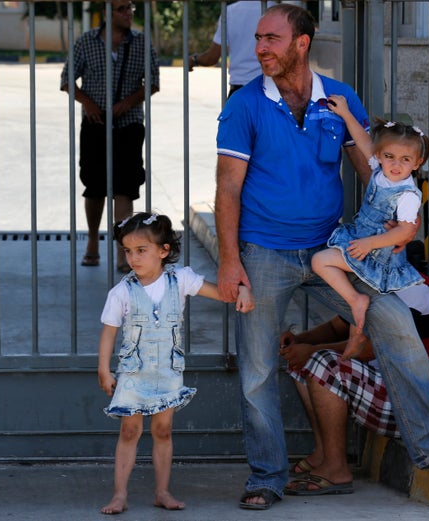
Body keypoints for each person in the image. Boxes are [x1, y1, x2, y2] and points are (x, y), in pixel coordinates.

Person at [214, 4, 429, 510]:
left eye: (271, 39)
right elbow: (228, 188)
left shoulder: (340, 99)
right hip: (264, 250)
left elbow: (373, 167)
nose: (260, 48)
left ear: (302, 42)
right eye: (257, 38)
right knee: (256, 370)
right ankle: (267, 477)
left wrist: (393, 219)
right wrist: (230, 260)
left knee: (397, 326)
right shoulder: (244, 105)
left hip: (338, 246)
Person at [97, 212, 253, 514]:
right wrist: (103, 369)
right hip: (133, 374)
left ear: (163, 250)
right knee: (129, 431)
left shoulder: (180, 279)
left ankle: (162, 491)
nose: (133, 258)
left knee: (164, 430)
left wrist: (242, 288)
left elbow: (220, 292)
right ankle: (119, 494)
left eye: (141, 251)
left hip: (167, 373)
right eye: (128, 251)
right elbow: (108, 332)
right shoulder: (121, 293)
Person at [281, 252, 429, 495]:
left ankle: (336, 468)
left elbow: (367, 349)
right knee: (302, 362)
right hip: (389, 388)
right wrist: (299, 340)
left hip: (418, 404)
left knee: (322, 362)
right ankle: (323, 452)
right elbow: (335, 328)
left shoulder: (412, 289)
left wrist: (310, 350)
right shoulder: (375, 283)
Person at [312, 98, 429, 358]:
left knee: (320, 261)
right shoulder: (380, 170)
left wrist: (369, 244)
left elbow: (404, 232)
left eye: (405, 159)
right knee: (328, 266)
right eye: (389, 157)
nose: (395, 165)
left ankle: (356, 303)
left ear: (417, 163)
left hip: (376, 253)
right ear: (380, 156)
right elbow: (364, 141)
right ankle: (357, 331)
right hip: (361, 241)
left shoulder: (408, 194)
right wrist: (345, 113)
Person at [60, 0, 160, 270]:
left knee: (125, 187)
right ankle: (93, 239)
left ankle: (122, 250)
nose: (128, 13)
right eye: (122, 9)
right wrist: (88, 103)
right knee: (94, 186)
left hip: (129, 125)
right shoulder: (86, 42)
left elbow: (152, 82)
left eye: (130, 8)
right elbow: (67, 80)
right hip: (95, 125)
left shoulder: (141, 43)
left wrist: (127, 103)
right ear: (106, 13)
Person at [187, 1, 274, 97]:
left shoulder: (230, 12)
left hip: (239, 89)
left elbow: (211, 58)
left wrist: (194, 59)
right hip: (271, 89)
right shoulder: (277, 12)